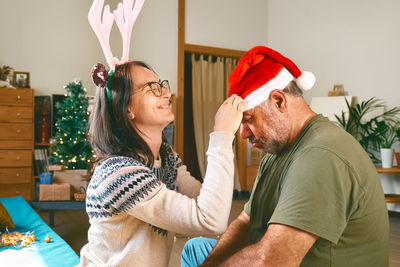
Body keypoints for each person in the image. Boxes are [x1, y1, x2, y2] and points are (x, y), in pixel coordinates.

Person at [181, 46, 389, 267]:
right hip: (271, 253)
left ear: (279, 101)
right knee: (196, 248)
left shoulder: (322, 155)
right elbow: (246, 221)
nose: (242, 133)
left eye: (248, 119)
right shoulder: (277, 149)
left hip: (277, 260)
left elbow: (271, 260)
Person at [77, 61, 247, 266]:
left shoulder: (165, 158)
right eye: (152, 88)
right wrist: (222, 134)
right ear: (127, 108)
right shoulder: (118, 174)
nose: (166, 94)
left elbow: (209, 203)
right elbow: (210, 220)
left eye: (162, 85)